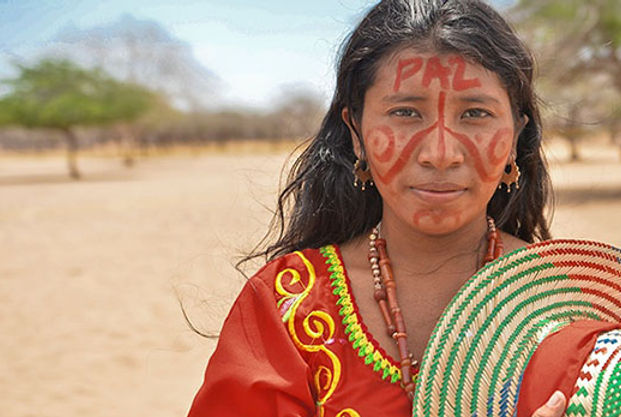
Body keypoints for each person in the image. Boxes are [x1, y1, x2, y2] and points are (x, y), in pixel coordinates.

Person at [187, 1, 567, 416]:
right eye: (405, 112)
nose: (440, 154)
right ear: (356, 133)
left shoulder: (569, 303)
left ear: (515, 135)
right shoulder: (287, 304)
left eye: (475, 113)